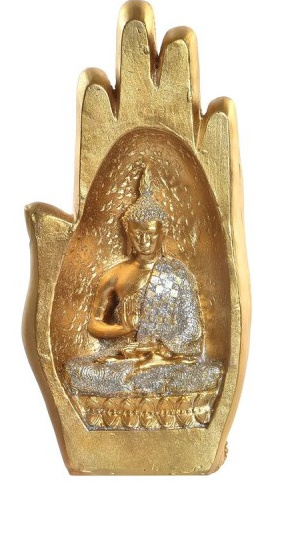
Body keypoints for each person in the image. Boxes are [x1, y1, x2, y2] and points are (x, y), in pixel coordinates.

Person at [66, 168, 222, 398]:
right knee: (80, 370)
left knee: (206, 372)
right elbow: (94, 324)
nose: (144, 240)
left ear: (162, 232)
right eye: (137, 234)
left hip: (167, 357)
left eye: (150, 233)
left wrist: (158, 347)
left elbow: (192, 329)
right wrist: (122, 329)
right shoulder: (115, 274)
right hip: (125, 355)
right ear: (128, 233)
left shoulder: (178, 274)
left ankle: (143, 383)